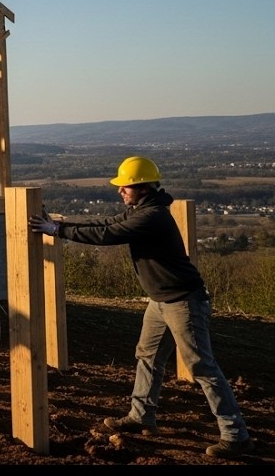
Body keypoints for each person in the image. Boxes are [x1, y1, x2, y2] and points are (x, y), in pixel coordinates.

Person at [28, 156, 253, 460]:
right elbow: (105, 223)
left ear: (141, 187)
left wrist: (57, 230)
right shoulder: (142, 209)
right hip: (161, 301)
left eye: (125, 187)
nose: (120, 190)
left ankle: (235, 434)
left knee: (202, 366)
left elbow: (108, 235)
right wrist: (59, 225)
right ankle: (141, 416)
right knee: (147, 356)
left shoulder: (153, 216)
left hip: (184, 302)